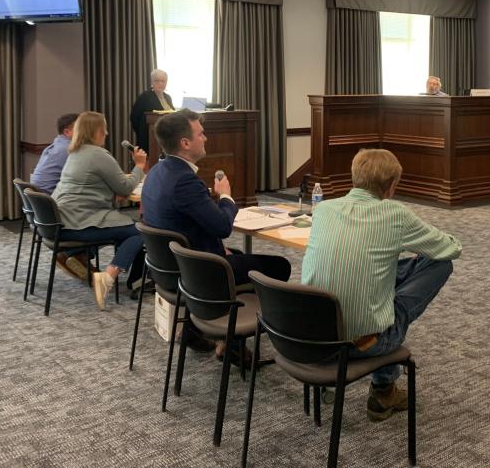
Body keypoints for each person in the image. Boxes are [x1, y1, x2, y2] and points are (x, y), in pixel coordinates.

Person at [301, 148, 462, 422]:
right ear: (391, 187)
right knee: (436, 266)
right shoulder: (396, 215)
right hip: (363, 343)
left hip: (311, 337)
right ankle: (383, 390)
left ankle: (378, 389)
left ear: (353, 178)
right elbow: (450, 249)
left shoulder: (324, 209)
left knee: (377, 273)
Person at [140, 108, 292, 360]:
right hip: (198, 273)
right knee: (278, 267)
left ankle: (193, 329)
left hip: (168, 269)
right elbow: (222, 226)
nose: (206, 138)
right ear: (185, 142)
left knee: (242, 257)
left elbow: (181, 224)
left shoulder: (157, 171)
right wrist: (225, 196)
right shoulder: (185, 182)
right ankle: (231, 343)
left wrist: (214, 245)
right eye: (201, 134)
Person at [52, 111, 147, 310]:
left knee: (126, 229)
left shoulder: (75, 151)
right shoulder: (98, 154)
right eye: (103, 128)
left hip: (63, 219)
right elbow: (125, 188)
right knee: (139, 232)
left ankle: (79, 254)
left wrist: (113, 191)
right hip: (79, 222)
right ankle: (108, 277)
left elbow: (89, 185)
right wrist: (139, 166)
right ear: (95, 131)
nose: (107, 132)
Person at [29, 113, 79, 194]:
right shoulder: (68, 149)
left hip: (38, 201)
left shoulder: (55, 145)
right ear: (67, 132)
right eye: (81, 129)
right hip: (50, 200)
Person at [130, 69, 175, 151]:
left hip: (167, 138)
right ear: (152, 82)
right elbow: (134, 117)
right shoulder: (145, 96)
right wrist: (142, 133)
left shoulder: (168, 97)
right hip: (149, 138)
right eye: (157, 81)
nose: (160, 83)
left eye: (163, 81)